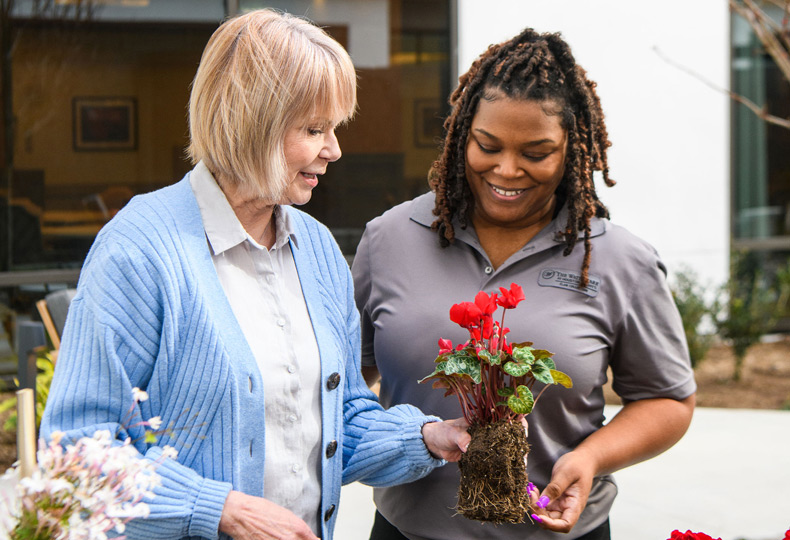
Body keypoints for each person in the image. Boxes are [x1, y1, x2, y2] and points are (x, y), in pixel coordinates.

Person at [41, 9, 469, 540]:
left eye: (333, 129)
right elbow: (76, 451)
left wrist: (426, 437)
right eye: (315, 129)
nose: (334, 149)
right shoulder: (139, 250)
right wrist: (220, 509)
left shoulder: (315, 249)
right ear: (254, 122)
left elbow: (336, 425)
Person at [352, 27, 696, 540]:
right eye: (487, 145)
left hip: (560, 532)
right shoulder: (389, 240)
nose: (506, 170)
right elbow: (342, 379)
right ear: (462, 133)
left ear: (572, 148)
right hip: (407, 532)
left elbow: (667, 400)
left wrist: (591, 457)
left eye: (536, 153)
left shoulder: (620, 259)